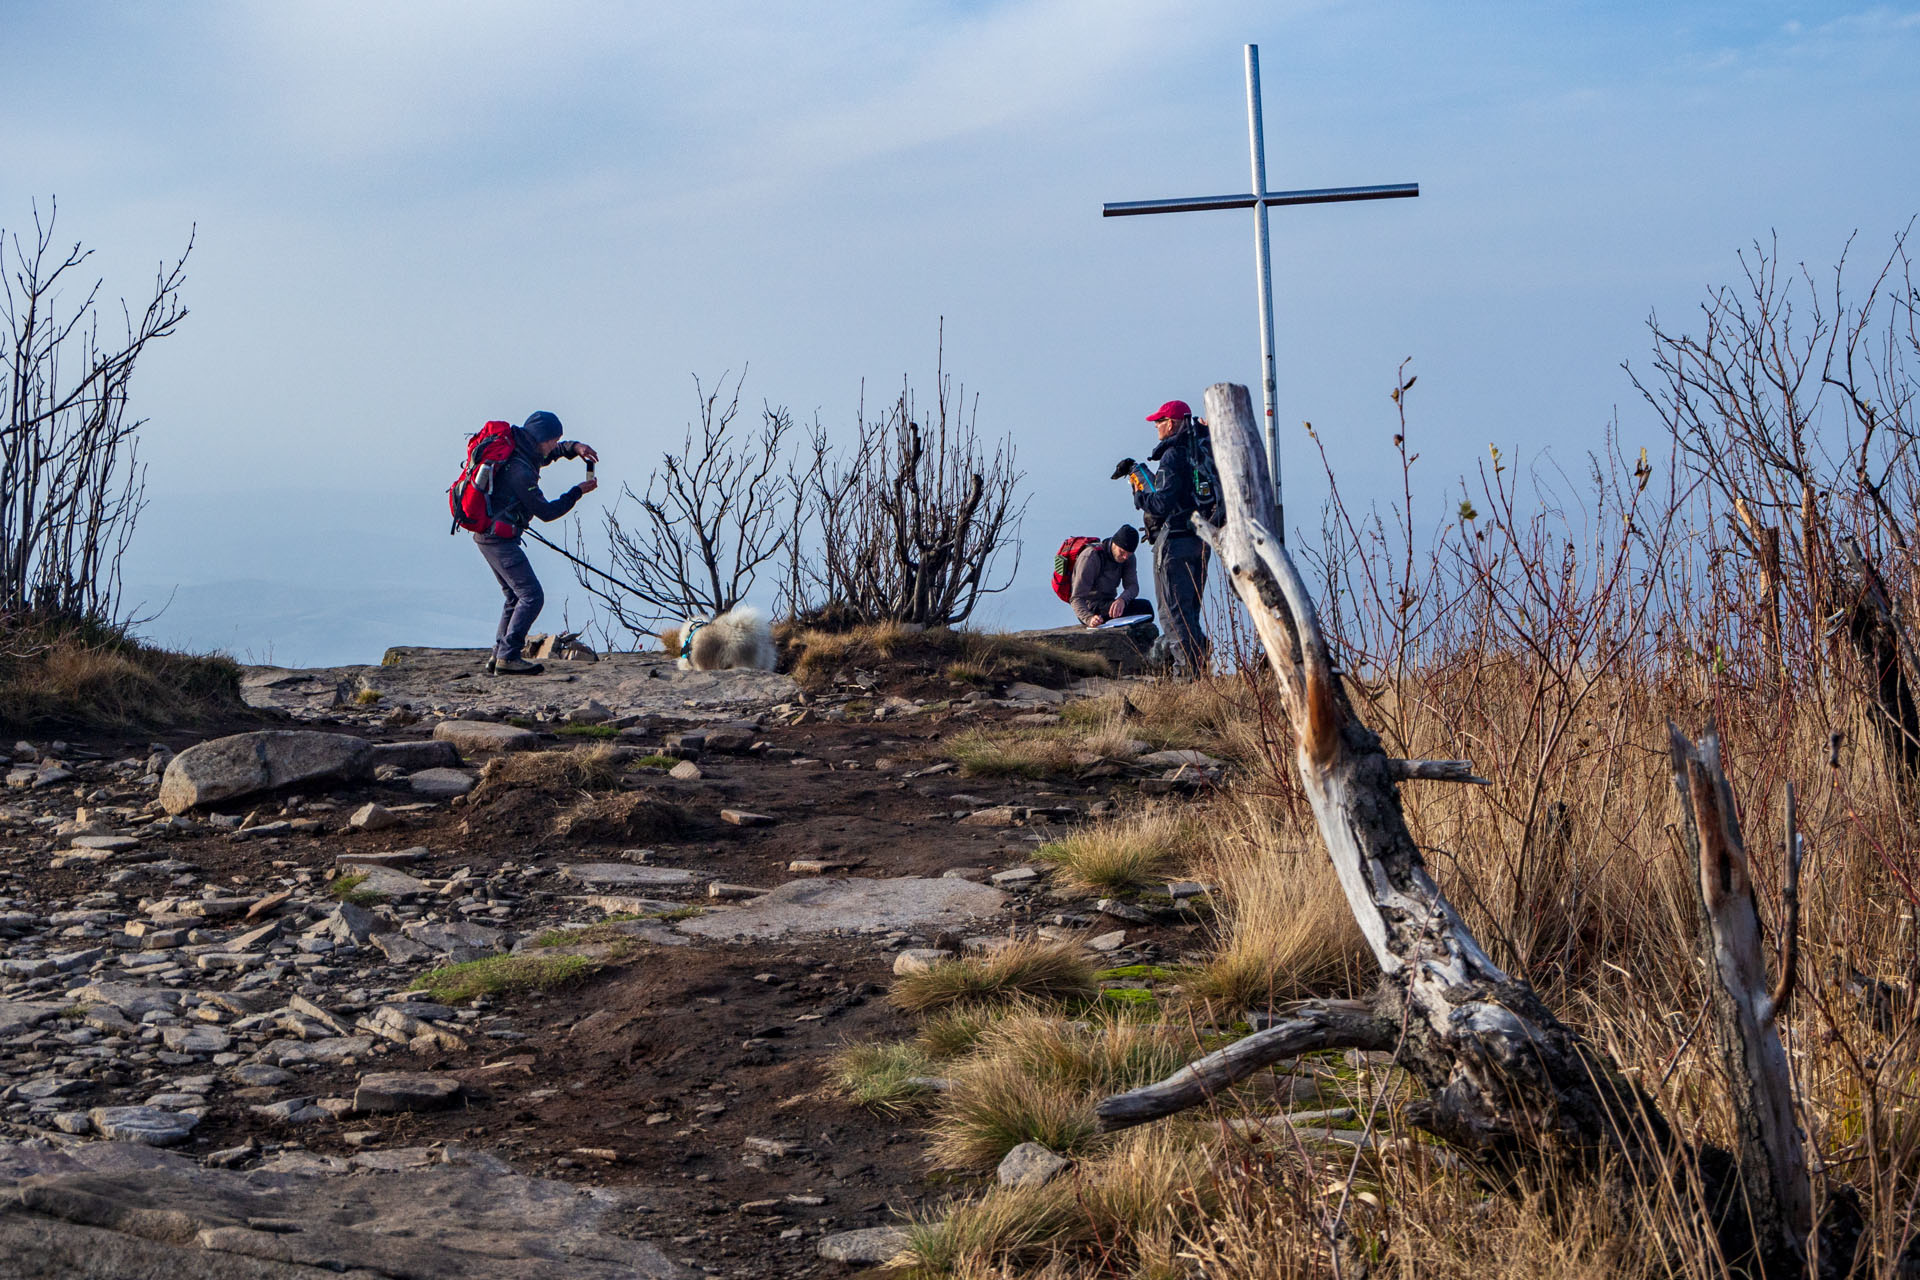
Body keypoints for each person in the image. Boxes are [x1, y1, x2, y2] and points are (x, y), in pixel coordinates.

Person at [473, 410, 599, 675]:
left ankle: (499, 655)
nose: (554, 446)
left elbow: (550, 455)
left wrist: (574, 448)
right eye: (553, 440)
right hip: (499, 539)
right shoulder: (521, 471)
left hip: (489, 535)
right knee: (532, 596)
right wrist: (577, 492)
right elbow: (547, 512)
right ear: (541, 438)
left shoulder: (521, 448)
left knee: (513, 596)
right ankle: (508, 657)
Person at [1115, 399, 1216, 672]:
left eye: (1159, 422)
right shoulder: (1202, 451)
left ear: (1170, 424)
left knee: (1173, 613)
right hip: (1200, 540)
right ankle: (1198, 669)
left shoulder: (1173, 456)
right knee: (1190, 610)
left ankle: (1186, 674)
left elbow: (1162, 504)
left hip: (1174, 543)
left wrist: (1139, 496)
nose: (1156, 427)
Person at [1070, 525, 1154, 629]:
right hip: (1090, 607)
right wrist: (1089, 618)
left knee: (1146, 609)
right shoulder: (1091, 557)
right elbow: (1076, 598)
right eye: (1122, 552)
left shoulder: (1128, 558)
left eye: (1129, 554)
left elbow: (1133, 586)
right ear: (1114, 544)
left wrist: (1122, 599)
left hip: (1110, 603)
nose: (1125, 557)